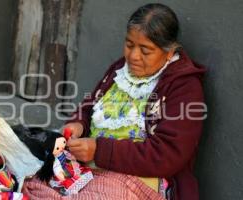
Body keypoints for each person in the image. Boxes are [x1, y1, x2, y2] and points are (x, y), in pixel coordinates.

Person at [23, 3, 206, 200]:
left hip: (139, 180)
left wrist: (99, 150)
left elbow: (167, 154)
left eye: (145, 50)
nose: (133, 56)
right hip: (90, 169)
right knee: (32, 185)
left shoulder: (184, 87)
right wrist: (79, 124)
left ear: (169, 52)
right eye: (129, 45)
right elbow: (89, 105)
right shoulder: (120, 70)